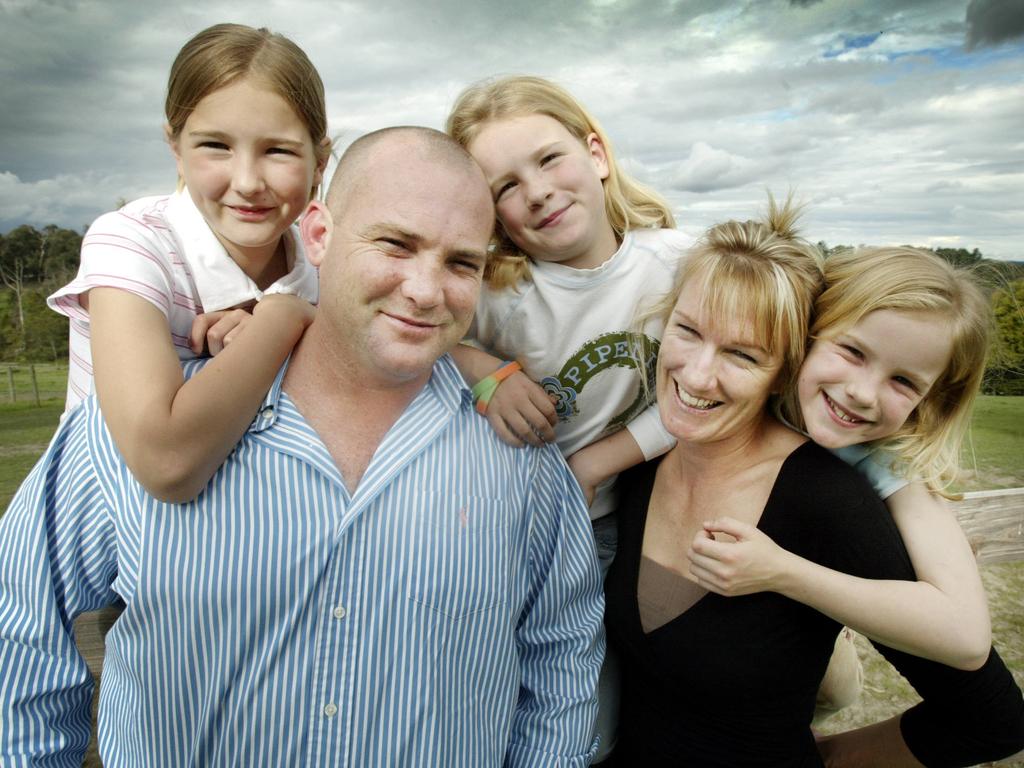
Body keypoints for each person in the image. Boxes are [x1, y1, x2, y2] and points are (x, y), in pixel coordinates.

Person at [0, 127, 605, 767]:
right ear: (318, 234)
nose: (428, 291)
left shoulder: (519, 454)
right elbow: (19, 633)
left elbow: (561, 659)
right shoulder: (130, 427)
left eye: (461, 263)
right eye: (396, 245)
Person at [603, 202, 1024, 766]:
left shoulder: (856, 490)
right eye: (851, 352)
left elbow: (984, 701)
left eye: (744, 353)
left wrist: (831, 758)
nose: (860, 392)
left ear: (786, 353)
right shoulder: (650, 457)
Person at [445, 74, 688, 760]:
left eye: (549, 159)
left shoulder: (680, 267)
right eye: (505, 187)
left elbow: (717, 398)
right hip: (504, 533)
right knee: (486, 702)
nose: (539, 191)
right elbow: (426, 341)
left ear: (597, 154)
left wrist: (595, 463)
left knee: (592, 724)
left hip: (619, 525)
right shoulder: (496, 294)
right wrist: (486, 372)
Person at [47, 23, 330, 503]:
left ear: (319, 162)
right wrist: (285, 319)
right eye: (215, 146)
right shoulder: (131, 241)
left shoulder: (326, 265)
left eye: (278, 150)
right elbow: (165, 464)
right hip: (102, 548)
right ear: (175, 149)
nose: (247, 181)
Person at [687, 246, 994, 676]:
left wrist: (782, 572)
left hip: (789, 628)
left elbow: (967, 638)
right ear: (809, 331)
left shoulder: (885, 460)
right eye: (853, 351)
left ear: (931, 399)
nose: (863, 393)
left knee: (836, 689)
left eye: (903, 381)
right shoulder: (741, 386)